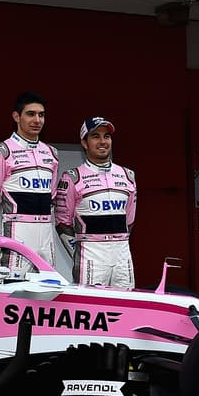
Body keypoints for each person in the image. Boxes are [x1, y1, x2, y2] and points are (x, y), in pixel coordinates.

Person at [0, 91, 59, 274]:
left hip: (46, 236)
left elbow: (52, 199)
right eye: (31, 114)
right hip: (17, 233)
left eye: (41, 115)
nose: (37, 120)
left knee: (50, 287)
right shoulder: (1, 152)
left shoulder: (51, 153)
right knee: (14, 288)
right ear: (16, 116)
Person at [54, 117, 137, 287]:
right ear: (84, 143)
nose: (102, 141)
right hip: (90, 253)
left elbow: (129, 221)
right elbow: (62, 223)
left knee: (126, 302)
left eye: (107, 136)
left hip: (122, 253)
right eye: (95, 136)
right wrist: (77, 253)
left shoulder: (128, 175)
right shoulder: (72, 177)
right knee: (90, 303)